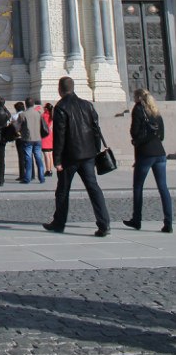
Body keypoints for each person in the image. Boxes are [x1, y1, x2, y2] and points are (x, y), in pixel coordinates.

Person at [43, 76, 111, 237]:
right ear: (73, 88)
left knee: (63, 191)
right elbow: (96, 129)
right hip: (88, 155)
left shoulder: (61, 107)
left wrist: (57, 159)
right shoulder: (87, 104)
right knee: (94, 188)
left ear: (60, 89)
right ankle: (104, 224)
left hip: (69, 156)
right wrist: (95, 150)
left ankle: (59, 223)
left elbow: (60, 135)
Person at [123, 88, 173, 233]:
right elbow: (161, 135)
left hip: (145, 154)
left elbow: (134, 131)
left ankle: (137, 220)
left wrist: (137, 140)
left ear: (138, 97)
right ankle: (168, 222)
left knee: (138, 186)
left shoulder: (138, 109)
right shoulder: (156, 111)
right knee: (163, 187)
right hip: (160, 153)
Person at [20, 97, 46, 185]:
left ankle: (27, 178)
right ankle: (41, 177)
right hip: (38, 138)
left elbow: (18, 127)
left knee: (28, 159)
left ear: (25, 104)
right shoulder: (38, 113)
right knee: (39, 158)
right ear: (33, 104)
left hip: (28, 138)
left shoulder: (23, 114)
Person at [41, 102, 54, 176]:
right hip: (51, 136)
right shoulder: (51, 116)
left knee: (46, 154)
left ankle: (48, 170)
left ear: (46, 109)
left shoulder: (44, 115)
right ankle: (50, 169)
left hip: (45, 136)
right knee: (50, 154)